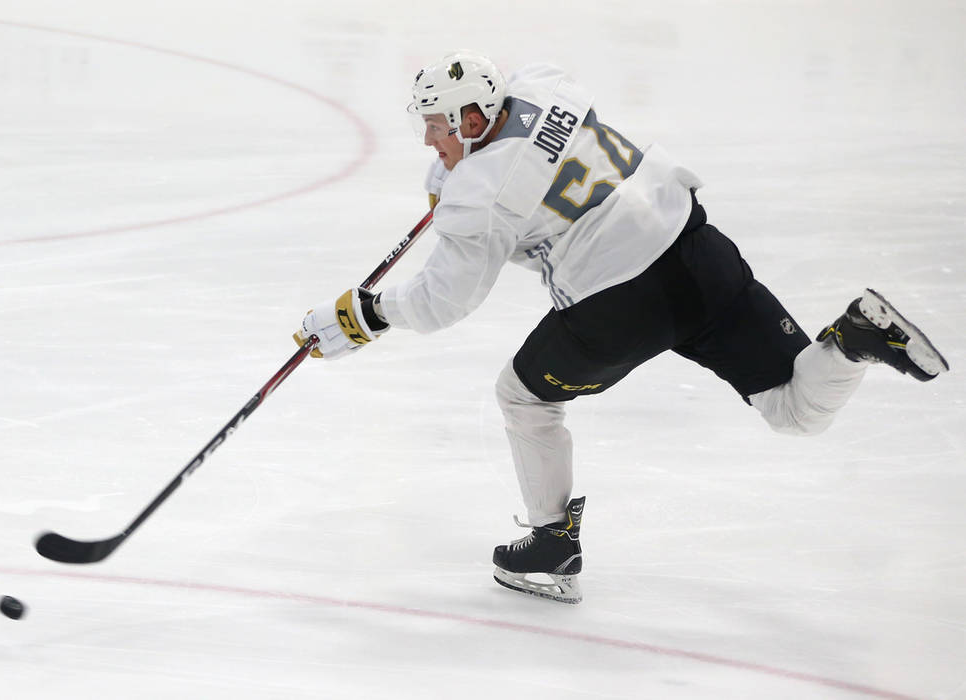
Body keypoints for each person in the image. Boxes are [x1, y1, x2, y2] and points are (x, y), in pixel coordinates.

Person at [294, 51, 949, 604]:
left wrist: (365, 314)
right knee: (795, 409)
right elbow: (528, 135)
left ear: (472, 119)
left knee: (523, 397)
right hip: (697, 250)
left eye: (438, 127)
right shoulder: (545, 86)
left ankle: (551, 548)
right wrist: (465, 185)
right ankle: (855, 339)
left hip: (620, 302)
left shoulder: (476, 197)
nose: (430, 141)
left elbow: (443, 302)